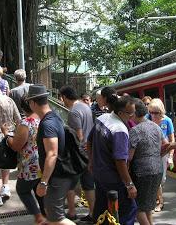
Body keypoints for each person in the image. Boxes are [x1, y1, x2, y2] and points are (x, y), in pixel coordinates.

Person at [27, 84, 76, 225]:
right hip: (59, 175)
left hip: (56, 177)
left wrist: (43, 182)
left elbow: (52, 154)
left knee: (56, 218)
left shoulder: (48, 124)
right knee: (51, 214)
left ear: (33, 102)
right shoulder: (55, 116)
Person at [87, 95, 137, 225]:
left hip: (99, 175)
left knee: (102, 210)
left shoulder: (102, 118)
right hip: (114, 179)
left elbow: (89, 140)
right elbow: (120, 160)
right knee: (128, 210)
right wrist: (129, 184)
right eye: (130, 113)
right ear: (120, 113)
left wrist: (91, 161)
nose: (133, 116)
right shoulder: (119, 129)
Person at [1, 96, 47, 225]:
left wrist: (6, 134)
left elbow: (16, 146)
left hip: (29, 165)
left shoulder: (26, 123)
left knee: (22, 189)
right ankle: (46, 215)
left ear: (23, 107)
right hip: (43, 163)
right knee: (39, 191)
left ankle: (39, 217)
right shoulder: (43, 119)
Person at [59, 86, 95, 223]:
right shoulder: (85, 106)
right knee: (88, 184)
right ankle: (92, 213)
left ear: (64, 97)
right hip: (88, 152)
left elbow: (78, 136)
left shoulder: (74, 112)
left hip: (78, 153)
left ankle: (72, 213)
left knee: (69, 182)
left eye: (61, 98)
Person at [129, 99, 167, 225]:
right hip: (157, 169)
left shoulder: (135, 130)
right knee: (148, 206)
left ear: (134, 113)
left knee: (138, 207)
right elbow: (167, 144)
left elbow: (129, 157)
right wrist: (157, 155)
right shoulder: (155, 126)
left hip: (141, 172)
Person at [148, 98, 174, 212]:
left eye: (156, 113)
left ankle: (157, 199)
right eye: (151, 112)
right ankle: (160, 201)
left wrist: (171, 156)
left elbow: (172, 140)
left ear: (161, 111)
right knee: (155, 178)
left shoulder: (167, 121)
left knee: (161, 179)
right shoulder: (147, 120)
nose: (153, 115)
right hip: (150, 152)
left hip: (163, 153)